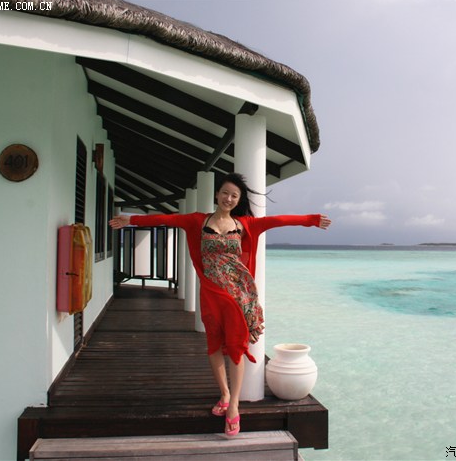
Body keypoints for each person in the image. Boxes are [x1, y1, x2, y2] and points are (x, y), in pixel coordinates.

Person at [109, 173, 331, 436]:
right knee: (214, 344)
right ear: (217, 194)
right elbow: (166, 219)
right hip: (211, 293)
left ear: (239, 200)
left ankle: (234, 404)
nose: (229, 198)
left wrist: (311, 220)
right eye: (225, 193)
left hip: (238, 296)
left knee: (235, 347)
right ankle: (224, 394)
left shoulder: (245, 224)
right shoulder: (197, 221)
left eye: (234, 195)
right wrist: (131, 220)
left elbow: (278, 221)